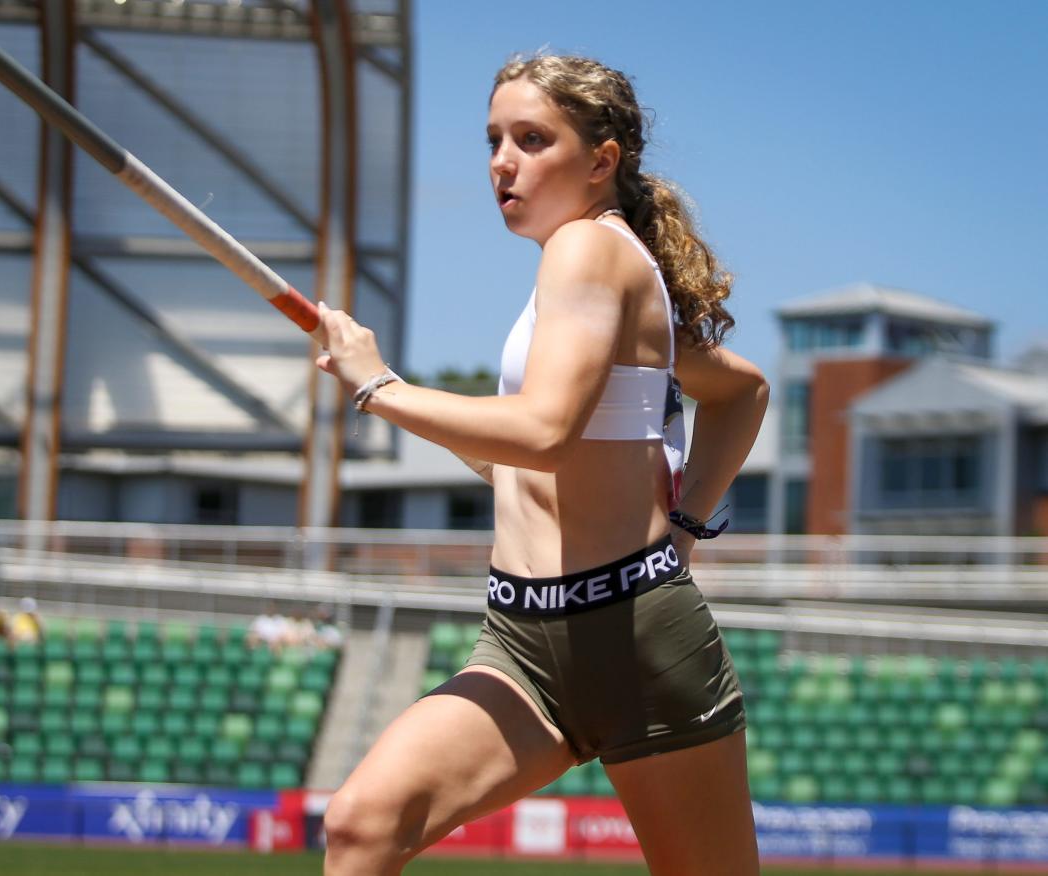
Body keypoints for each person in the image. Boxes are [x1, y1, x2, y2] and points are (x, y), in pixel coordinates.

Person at [314, 53, 768, 875]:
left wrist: (378, 387)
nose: (501, 161)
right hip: (522, 641)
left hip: (634, 641)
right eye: (494, 139)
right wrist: (688, 518)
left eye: (531, 138)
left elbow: (547, 429)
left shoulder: (587, 254)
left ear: (603, 160)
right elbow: (738, 393)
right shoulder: (592, 272)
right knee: (362, 824)